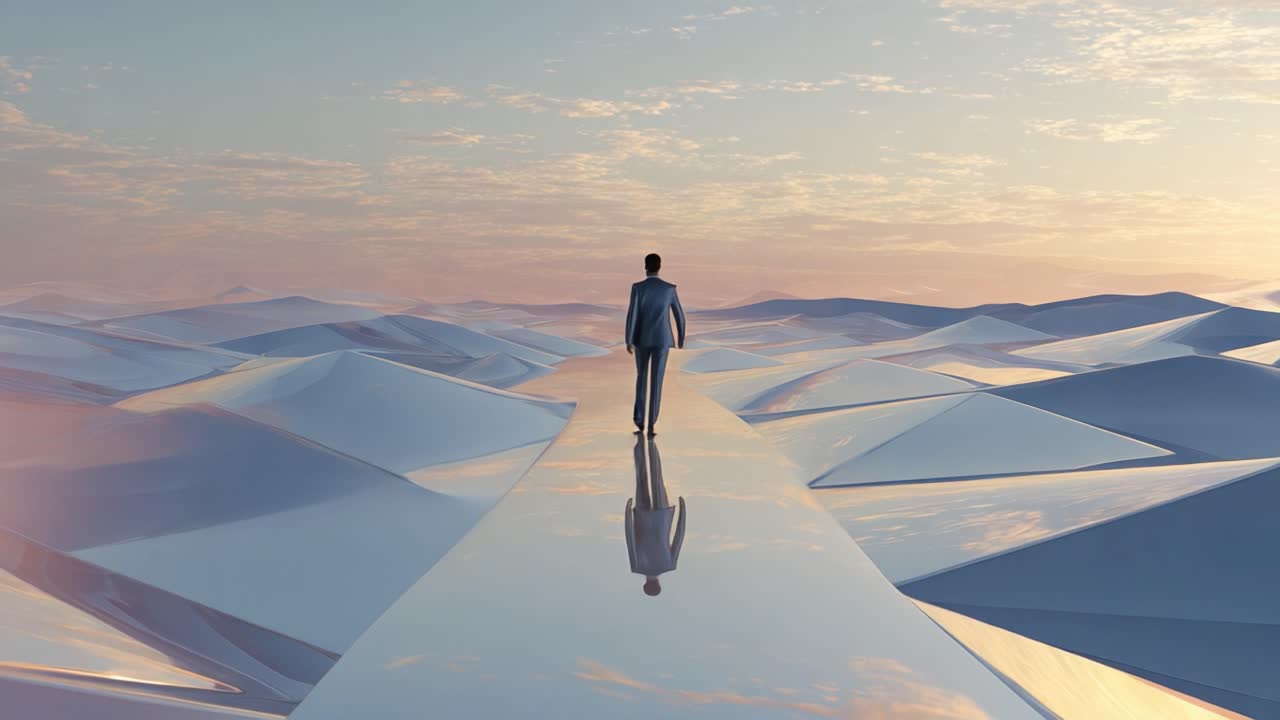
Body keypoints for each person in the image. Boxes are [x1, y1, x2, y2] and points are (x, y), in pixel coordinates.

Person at [624, 253, 686, 435]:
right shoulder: (669, 289)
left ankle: (640, 421)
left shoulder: (638, 288)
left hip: (642, 339)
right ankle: (652, 424)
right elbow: (680, 316)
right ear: (660, 266)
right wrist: (680, 339)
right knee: (657, 380)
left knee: (641, 378)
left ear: (645, 266)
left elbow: (632, 314)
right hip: (663, 340)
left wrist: (629, 338)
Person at [624, 436, 686, 596]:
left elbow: (678, 538)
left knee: (657, 479)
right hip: (642, 517)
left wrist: (683, 511)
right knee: (642, 477)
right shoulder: (637, 567)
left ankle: (650, 442)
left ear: (659, 584)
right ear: (645, 584)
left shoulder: (669, 565)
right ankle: (641, 441)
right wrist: (628, 513)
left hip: (662, 516)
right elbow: (629, 538)